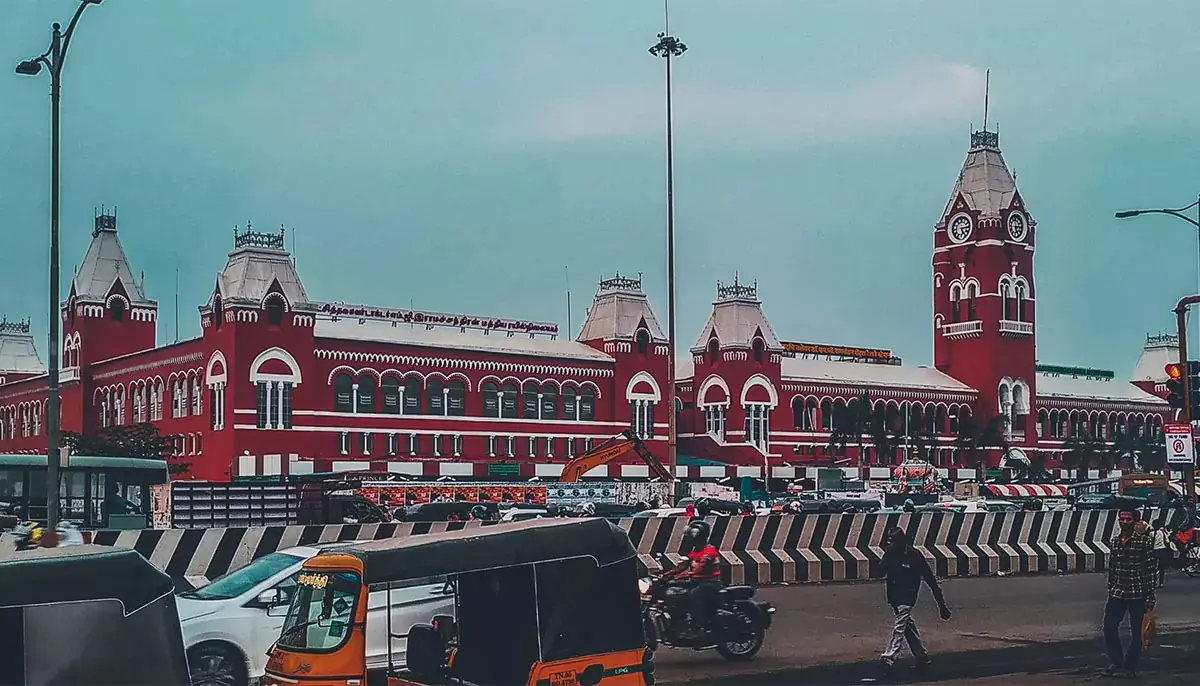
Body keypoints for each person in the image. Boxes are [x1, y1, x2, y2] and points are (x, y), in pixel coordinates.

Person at [878, 526, 951, 676]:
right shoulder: (890, 554)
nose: (890, 545)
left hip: (908, 596)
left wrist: (942, 606)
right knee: (907, 626)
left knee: (899, 626)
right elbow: (880, 571)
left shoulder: (914, 556)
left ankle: (889, 657)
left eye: (892, 542)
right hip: (894, 597)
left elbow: (930, 580)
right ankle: (921, 657)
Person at [1103, 507, 1155, 678]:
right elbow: (1112, 567)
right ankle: (1117, 662)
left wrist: (1150, 596)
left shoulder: (1144, 542)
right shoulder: (1115, 541)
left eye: (1128, 519)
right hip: (1117, 592)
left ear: (1135, 521)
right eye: (1122, 519)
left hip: (1137, 592)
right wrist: (1111, 586)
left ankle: (1129, 666)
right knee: (1109, 627)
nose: (1124, 522)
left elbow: (1149, 570)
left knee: (1138, 633)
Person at [663, 519, 723, 645]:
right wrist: (666, 574)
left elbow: (701, 565)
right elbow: (683, 565)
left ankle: (696, 627)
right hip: (697, 582)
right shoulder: (695, 551)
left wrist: (689, 573)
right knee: (676, 592)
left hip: (710, 584)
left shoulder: (709, 550)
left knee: (694, 595)